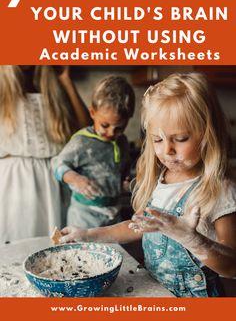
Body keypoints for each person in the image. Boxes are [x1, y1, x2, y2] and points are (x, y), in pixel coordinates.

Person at [59, 73, 236, 297]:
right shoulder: (160, 180)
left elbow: (231, 266)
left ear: (208, 134)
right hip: (156, 292)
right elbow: (135, 227)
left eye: (180, 139)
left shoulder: (219, 189)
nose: (167, 150)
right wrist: (88, 234)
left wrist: (191, 239)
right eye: (158, 140)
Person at [0, 65, 91, 244]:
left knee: (52, 247)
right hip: (13, 181)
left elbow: (86, 131)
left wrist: (66, 80)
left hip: (52, 179)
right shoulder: (3, 86)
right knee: (16, 247)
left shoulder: (53, 86)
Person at [52, 76, 135, 228]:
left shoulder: (122, 141)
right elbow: (56, 164)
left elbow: (123, 169)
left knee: (112, 250)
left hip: (113, 213)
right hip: (84, 216)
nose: (111, 132)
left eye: (119, 128)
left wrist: (125, 180)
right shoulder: (81, 142)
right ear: (92, 112)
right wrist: (75, 178)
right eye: (105, 125)